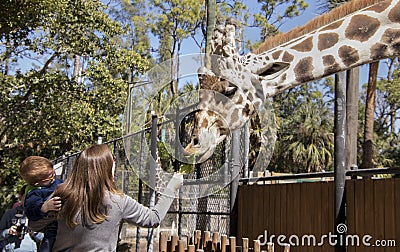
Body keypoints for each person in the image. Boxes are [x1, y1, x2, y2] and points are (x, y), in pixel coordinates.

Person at [51, 144, 183, 251]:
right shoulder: (118, 201)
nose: (113, 173)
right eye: (112, 168)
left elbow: (35, 225)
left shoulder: (62, 194)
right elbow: (153, 219)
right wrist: (171, 188)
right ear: (104, 170)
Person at [19, 156, 63, 252]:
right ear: (37, 183)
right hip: (51, 226)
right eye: (50, 176)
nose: (54, 177)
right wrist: (44, 207)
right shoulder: (34, 193)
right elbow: (31, 211)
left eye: (53, 172)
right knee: (49, 242)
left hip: (62, 222)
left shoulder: (55, 182)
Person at [0, 185, 44, 251]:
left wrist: (33, 231)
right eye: (27, 196)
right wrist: (8, 231)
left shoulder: (38, 214)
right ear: (21, 197)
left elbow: (42, 238)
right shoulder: (10, 213)